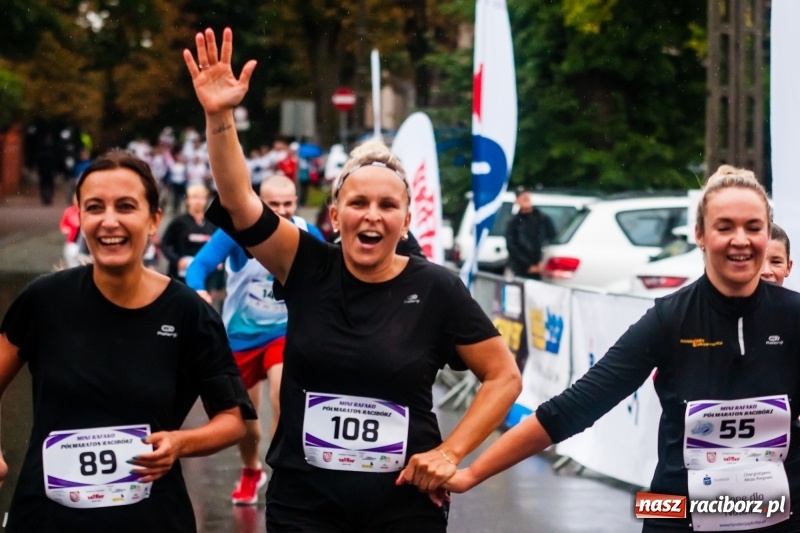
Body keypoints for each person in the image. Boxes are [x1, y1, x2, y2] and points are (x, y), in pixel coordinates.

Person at [184, 27, 521, 531]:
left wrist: (451, 452)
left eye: (388, 205)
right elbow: (238, 201)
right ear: (335, 215)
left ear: (406, 221)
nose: (372, 215)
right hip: (305, 507)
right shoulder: (305, 264)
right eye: (358, 203)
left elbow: (504, 377)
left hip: (403, 508)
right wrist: (219, 117)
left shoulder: (437, 289)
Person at [444, 165, 800, 532]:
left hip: (780, 516)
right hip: (675, 514)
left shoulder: (793, 316)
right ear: (700, 234)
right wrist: (470, 473)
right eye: (724, 227)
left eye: (753, 228)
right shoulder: (669, 318)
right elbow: (574, 407)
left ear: (767, 232)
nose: (740, 240)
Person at [0, 148, 255, 531]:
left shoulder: (189, 313)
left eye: (125, 206)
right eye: (95, 208)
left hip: (151, 519)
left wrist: (180, 443)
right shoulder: (44, 300)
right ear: (80, 217)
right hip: (48, 518)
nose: (109, 221)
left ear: (154, 220)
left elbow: (232, 420)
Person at [185, 175, 324, 505]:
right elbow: (198, 266)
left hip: (283, 333)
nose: (281, 211)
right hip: (240, 336)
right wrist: (198, 291)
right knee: (245, 419)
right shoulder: (236, 231)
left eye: (288, 204)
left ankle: (281, 473)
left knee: (281, 394)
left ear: (296, 202)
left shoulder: (306, 232)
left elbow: (331, 270)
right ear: (260, 203)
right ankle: (251, 469)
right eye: (273, 205)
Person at [160, 183, 218, 284]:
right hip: (180, 275)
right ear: (187, 200)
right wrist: (177, 260)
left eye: (201, 198)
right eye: (194, 198)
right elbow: (165, 244)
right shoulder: (179, 222)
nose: (198, 202)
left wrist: (217, 261)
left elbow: (218, 247)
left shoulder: (212, 224)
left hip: (204, 275)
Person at [504, 188, 555, 279]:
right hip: (521, 268)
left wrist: (542, 261)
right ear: (516, 201)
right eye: (522, 197)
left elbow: (551, 238)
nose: (525, 198)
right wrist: (527, 265)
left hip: (541, 266)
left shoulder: (542, 219)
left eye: (527, 196)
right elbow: (512, 246)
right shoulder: (514, 222)